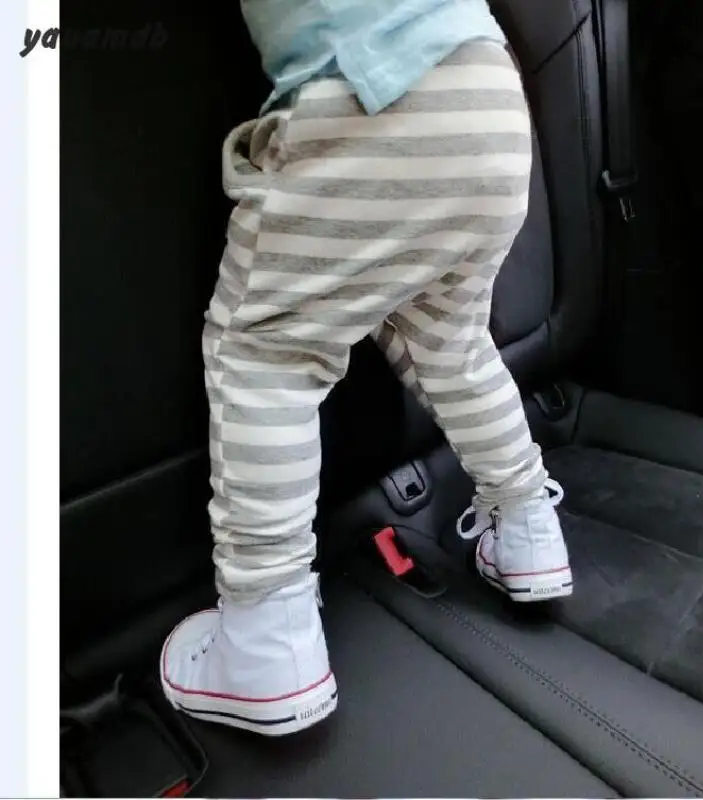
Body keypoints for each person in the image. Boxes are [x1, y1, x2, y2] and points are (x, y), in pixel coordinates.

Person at [160, 0, 572, 737]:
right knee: (452, 343)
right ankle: (528, 526)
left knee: (267, 353)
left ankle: (266, 639)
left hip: (376, 91)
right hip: (489, 98)